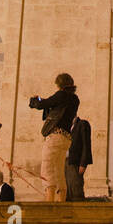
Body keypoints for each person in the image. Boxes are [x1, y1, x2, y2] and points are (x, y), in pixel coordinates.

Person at [30, 73, 80, 202]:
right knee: (58, 170)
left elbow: (43, 104)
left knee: (47, 168)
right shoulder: (75, 99)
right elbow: (52, 103)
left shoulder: (61, 95)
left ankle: (49, 201)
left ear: (59, 84)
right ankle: (60, 201)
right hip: (65, 138)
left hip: (55, 136)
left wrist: (36, 100)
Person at [65, 115, 93, 200]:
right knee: (66, 190)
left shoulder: (82, 124)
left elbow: (86, 145)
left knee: (76, 188)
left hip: (75, 162)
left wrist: (83, 163)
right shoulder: (66, 126)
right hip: (65, 161)